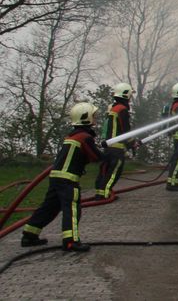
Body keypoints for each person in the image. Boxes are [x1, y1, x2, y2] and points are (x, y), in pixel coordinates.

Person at [22, 103, 114, 251]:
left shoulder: (74, 135)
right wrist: (109, 154)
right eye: (93, 115)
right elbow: (96, 157)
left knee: (49, 208)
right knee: (72, 209)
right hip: (68, 180)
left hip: (57, 177)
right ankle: (71, 241)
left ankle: (29, 235)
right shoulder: (84, 137)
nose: (95, 118)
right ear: (86, 117)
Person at [92, 83, 141, 200]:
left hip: (109, 147)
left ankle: (100, 191)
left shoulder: (114, 108)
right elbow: (125, 130)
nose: (130, 98)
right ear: (126, 95)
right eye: (130, 95)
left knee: (105, 169)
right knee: (114, 172)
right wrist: (132, 143)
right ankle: (105, 193)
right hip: (117, 148)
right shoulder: (122, 109)